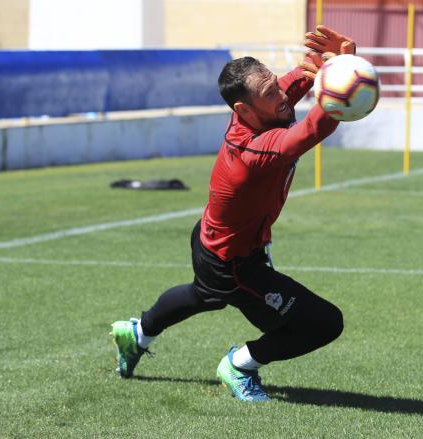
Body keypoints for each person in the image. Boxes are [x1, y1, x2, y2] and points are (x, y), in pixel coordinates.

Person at [110, 25, 357, 402]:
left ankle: (138, 332)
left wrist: (341, 61)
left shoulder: (264, 107)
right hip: (234, 262)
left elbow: (302, 76)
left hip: (216, 242)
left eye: (274, 84)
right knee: (322, 324)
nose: (280, 95)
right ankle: (240, 365)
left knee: (205, 295)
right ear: (243, 109)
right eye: (269, 93)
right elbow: (310, 129)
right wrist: (345, 85)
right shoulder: (253, 150)